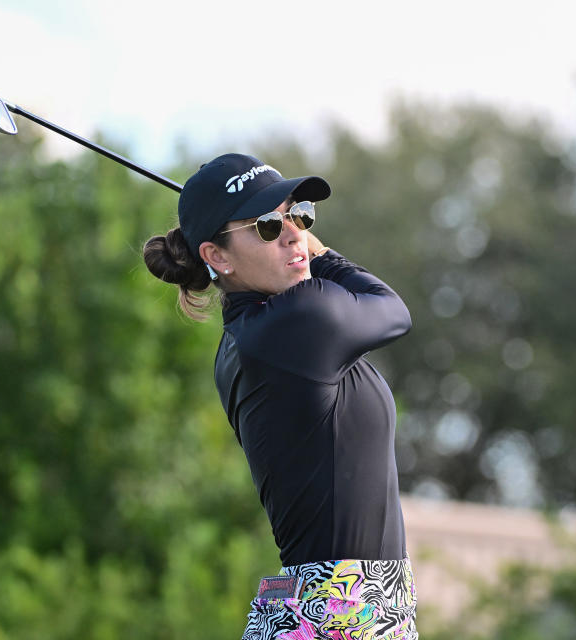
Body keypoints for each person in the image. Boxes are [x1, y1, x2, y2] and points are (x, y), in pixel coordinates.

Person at [143, 153, 417, 639]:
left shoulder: (238, 344)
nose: (293, 232)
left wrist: (289, 243)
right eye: (268, 225)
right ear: (217, 257)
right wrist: (322, 253)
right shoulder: (303, 319)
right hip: (344, 613)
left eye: (298, 213)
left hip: (321, 607)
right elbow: (393, 310)